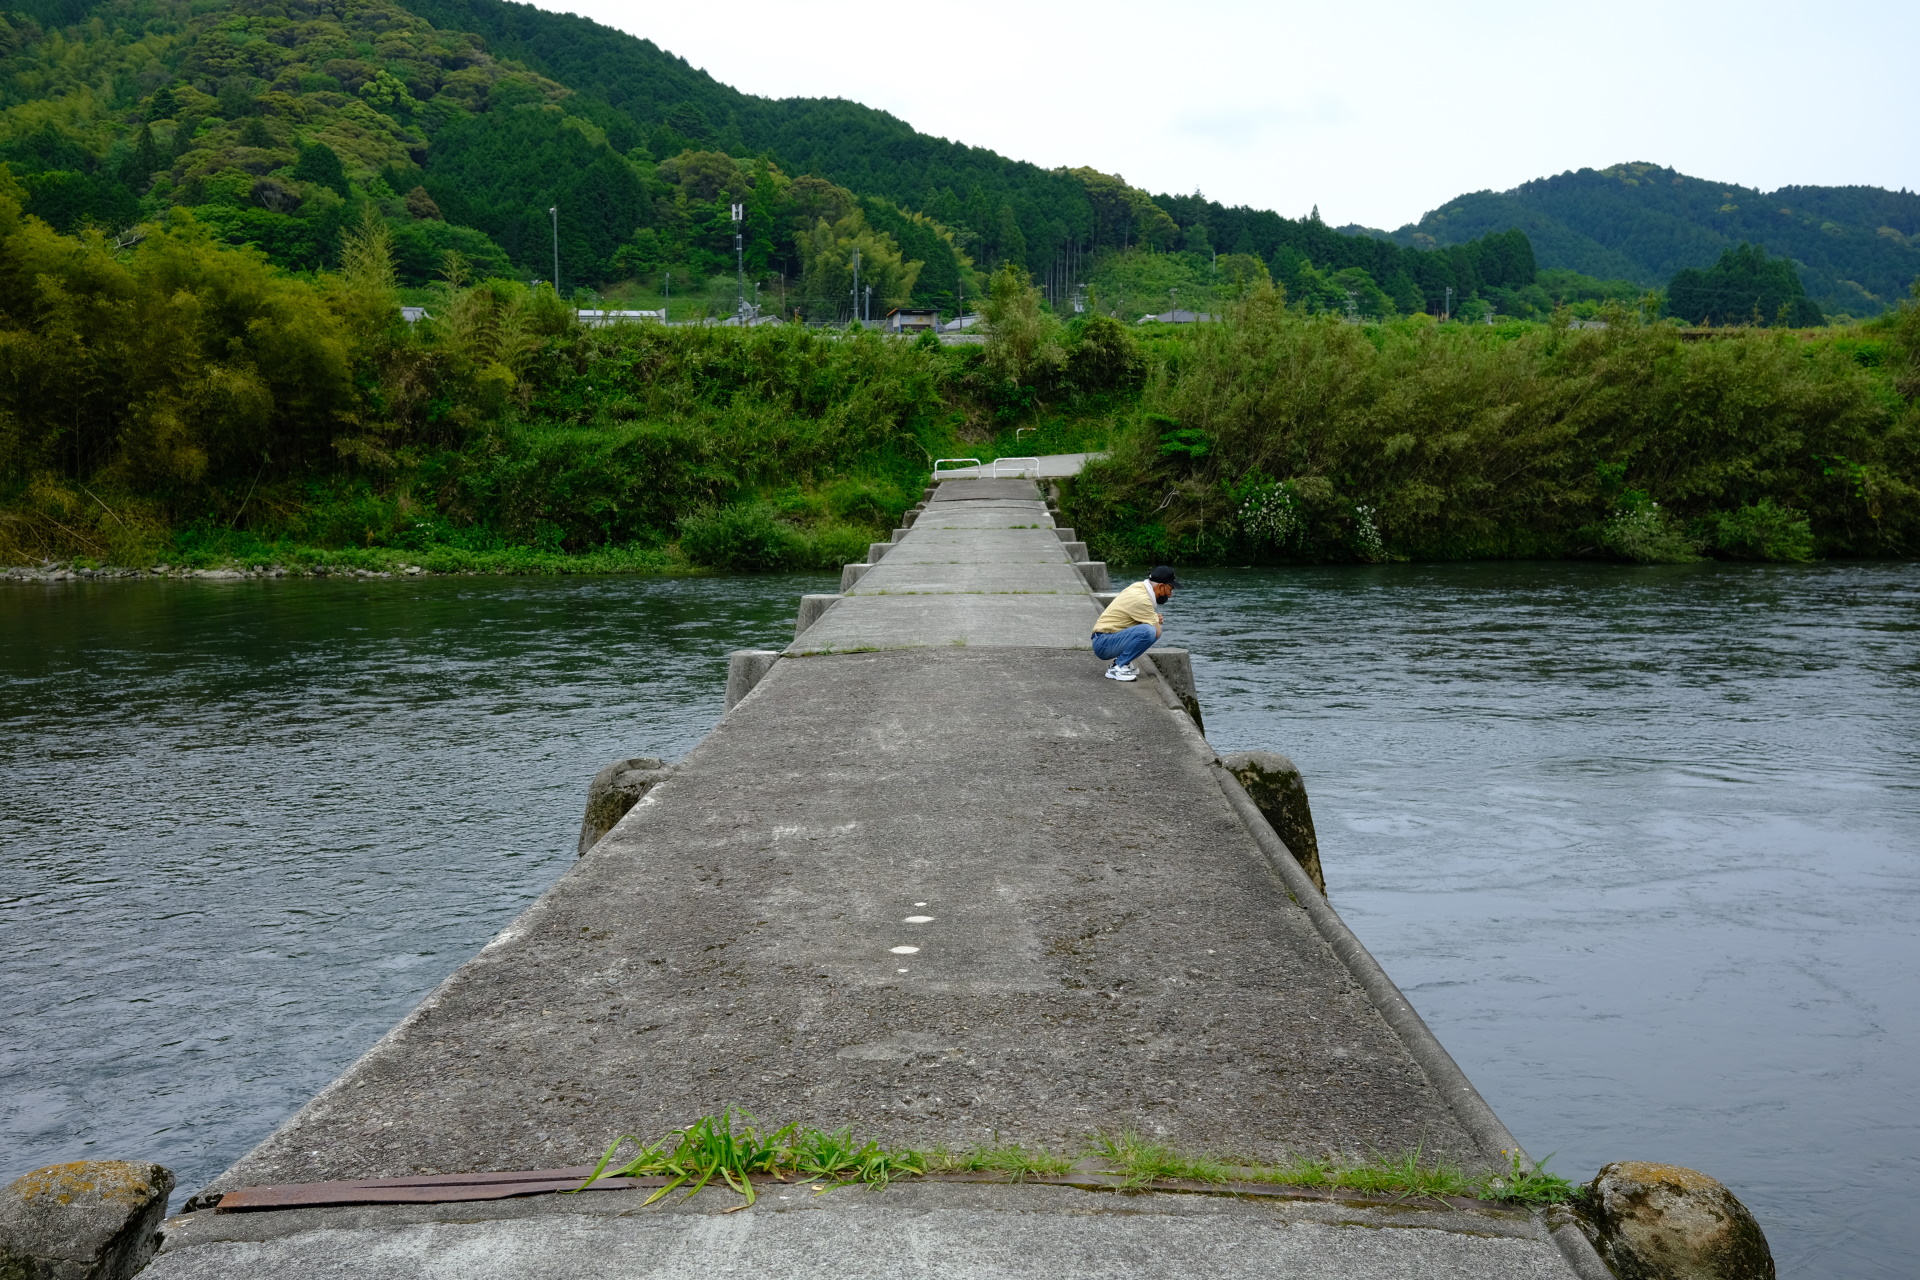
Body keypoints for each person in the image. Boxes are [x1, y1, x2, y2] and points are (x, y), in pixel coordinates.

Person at [1091, 565, 1177, 682]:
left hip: (1103, 638)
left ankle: (1123, 663)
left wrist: (1152, 619)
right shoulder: (1142, 599)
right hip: (1103, 643)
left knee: (1149, 628)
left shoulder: (1138, 587)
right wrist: (1155, 620)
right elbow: (1157, 632)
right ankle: (1117, 667)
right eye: (1170, 590)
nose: (1170, 595)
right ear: (1161, 586)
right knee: (1149, 631)